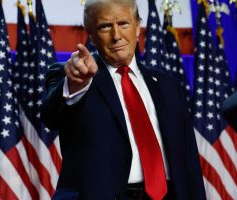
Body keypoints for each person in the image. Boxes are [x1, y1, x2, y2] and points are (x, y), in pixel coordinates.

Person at [41, 0, 206, 199]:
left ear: (137, 27)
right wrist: (76, 84)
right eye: (105, 26)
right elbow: (51, 116)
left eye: (123, 24)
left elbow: (189, 162)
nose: (116, 35)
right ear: (91, 35)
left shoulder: (168, 86)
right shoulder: (73, 77)